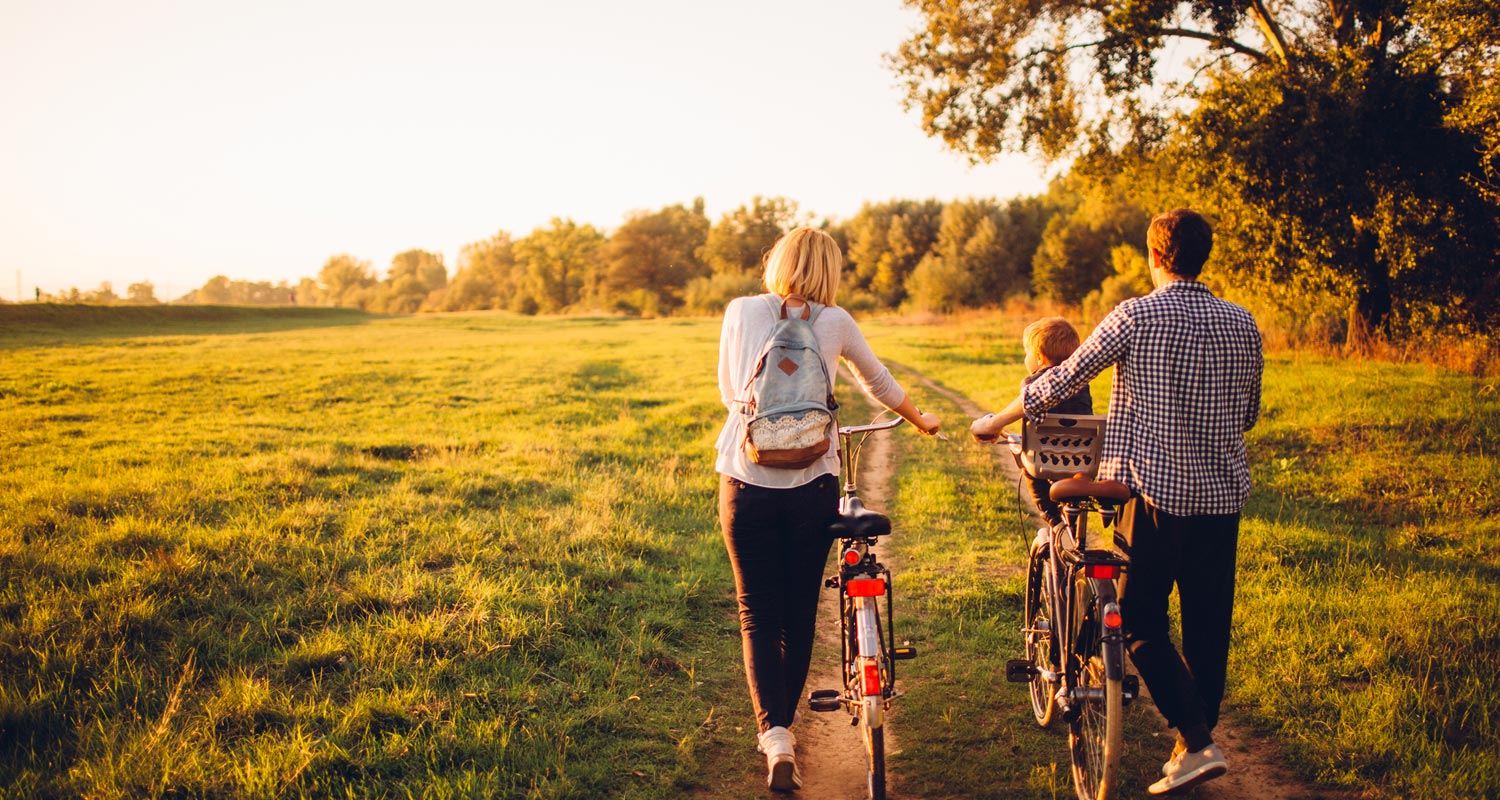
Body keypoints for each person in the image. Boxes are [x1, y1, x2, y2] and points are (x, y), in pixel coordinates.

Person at [970, 208, 1262, 795]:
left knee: (1139, 618)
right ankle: (1192, 741)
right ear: (1204, 257)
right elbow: (1248, 414)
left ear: (1153, 257)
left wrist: (994, 420)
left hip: (1153, 493)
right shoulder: (1243, 322)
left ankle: (1197, 740)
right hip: (1222, 497)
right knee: (1208, 625)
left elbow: (1055, 382)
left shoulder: (1136, 314)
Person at [716, 226, 940, 791]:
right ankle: (787, 721)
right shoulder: (835, 321)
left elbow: (728, 392)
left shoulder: (741, 311)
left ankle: (776, 740)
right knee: (796, 613)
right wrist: (923, 420)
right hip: (813, 485)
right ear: (830, 271)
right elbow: (880, 385)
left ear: (778, 263)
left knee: (756, 616)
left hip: (746, 480)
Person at [1017, 316, 1094, 530]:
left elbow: (1030, 418)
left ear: (1039, 358)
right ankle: (1071, 516)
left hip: (1046, 455)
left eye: (1027, 353)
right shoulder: (1082, 384)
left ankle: (1050, 513)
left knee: (1027, 463)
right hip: (1081, 457)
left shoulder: (1031, 383)